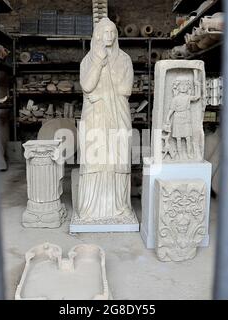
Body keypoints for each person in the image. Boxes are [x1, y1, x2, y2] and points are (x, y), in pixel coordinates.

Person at [77, 18, 134, 221]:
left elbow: (125, 90)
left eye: (113, 32)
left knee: (118, 158)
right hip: (95, 117)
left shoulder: (125, 59)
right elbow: (87, 86)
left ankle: (119, 206)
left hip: (118, 115)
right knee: (95, 159)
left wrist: (103, 95)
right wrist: (99, 63)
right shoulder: (88, 60)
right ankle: (91, 208)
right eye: (105, 32)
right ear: (98, 35)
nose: (109, 36)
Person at [164, 75, 200, 160]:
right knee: (178, 138)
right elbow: (171, 109)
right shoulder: (175, 99)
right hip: (178, 118)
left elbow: (197, 97)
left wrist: (197, 85)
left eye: (185, 85)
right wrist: (167, 118)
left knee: (188, 137)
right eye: (181, 85)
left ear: (188, 87)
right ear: (177, 87)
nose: (183, 87)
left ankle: (189, 154)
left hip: (186, 117)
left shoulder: (188, 97)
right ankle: (180, 155)